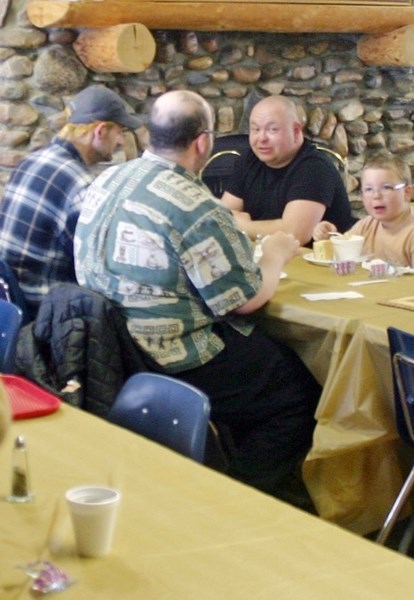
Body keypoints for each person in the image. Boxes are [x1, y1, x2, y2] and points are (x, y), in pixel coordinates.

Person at [74, 90, 321, 503]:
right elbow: (243, 300)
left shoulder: (109, 177)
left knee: (264, 364)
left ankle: (224, 469)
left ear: (151, 134)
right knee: (299, 390)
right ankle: (249, 498)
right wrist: (276, 257)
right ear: (203, 142)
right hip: (172, 354)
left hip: (110, 345)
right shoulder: (196, 206)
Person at [0, 85, 141, 319]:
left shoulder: (31, 160)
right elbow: (97, 268)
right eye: (120, 131)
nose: (119, 142)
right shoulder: (80, 186)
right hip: (43, 313)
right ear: (100, 130)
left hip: (8, 300)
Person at [221, 95, 354, 245]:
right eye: (255, 129)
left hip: (317, 263)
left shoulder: (314, 167)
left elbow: (294, 235)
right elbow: (221, 217)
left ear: (296, 131)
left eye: (272, 129)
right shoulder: (249, 160)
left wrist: (242, 225)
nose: (261, 138)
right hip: (269, 257)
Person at [313, 152, 414, 271]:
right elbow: (342, 255)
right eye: (368, 189)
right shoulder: (366, 226)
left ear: (407, 193)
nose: (376, 195)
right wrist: (329, 237)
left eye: (386, 188)